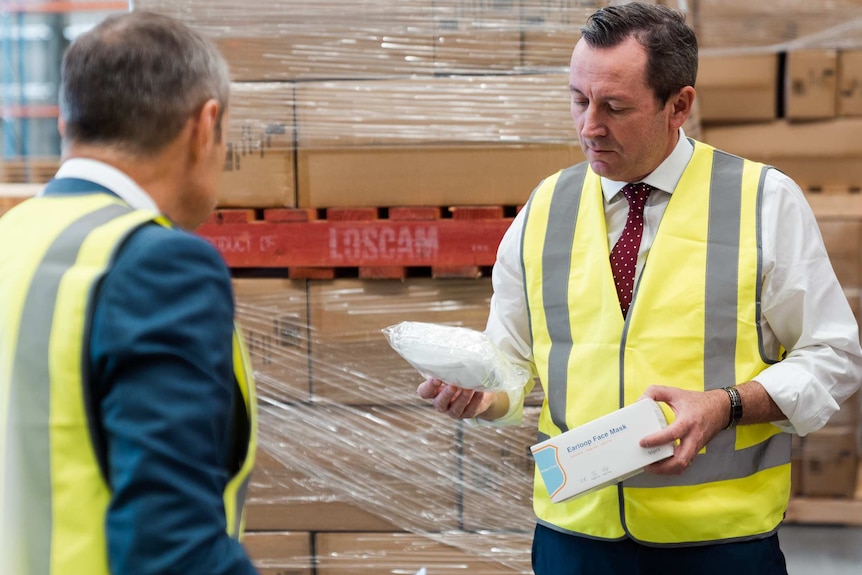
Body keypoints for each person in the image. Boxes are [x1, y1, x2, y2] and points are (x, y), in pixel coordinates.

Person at [417, 3, 862, 574]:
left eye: (614, 107)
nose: (588, 126)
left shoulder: (762, 202)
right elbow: (511, 362)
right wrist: (484, 397)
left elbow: (834, 357)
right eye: (578, 99)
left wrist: (723, 406)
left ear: (679, 105)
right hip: (574, 537)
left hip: (719, 543)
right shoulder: (544, 209)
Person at [0, 12, 260, 575]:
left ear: (69, 120)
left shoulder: (12, 239)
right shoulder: (154, 265)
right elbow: (171, 549)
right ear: (203, 126)